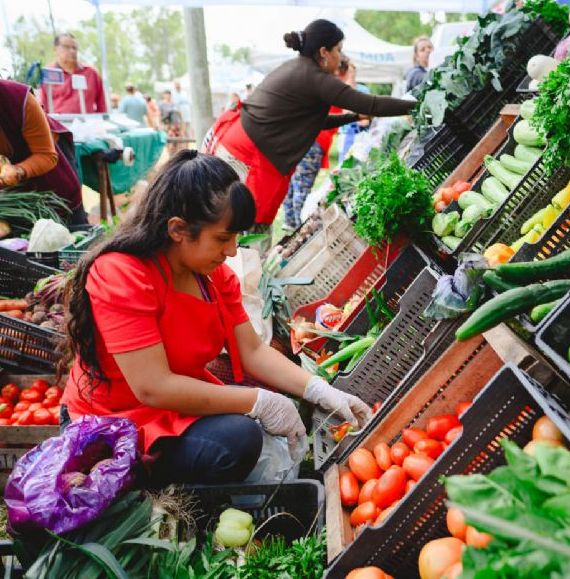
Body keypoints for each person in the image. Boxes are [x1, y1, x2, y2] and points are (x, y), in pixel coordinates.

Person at [61, 151, 371, 486]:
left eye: (236, 237)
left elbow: (252, 350)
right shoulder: (121, 274)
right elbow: (152, 387)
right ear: (178, 230)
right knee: (239, 440)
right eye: (222, 238)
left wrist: (318, 390)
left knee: (247, 429)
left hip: (175, 408)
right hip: (115, 421)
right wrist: (259, 402)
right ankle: (138, 485)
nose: (233, 251)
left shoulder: (213, 277)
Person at [202, 19, 414, 236]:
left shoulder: (298, 68)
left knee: (230, 224)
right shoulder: (315, 78)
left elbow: (313, 121)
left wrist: (352, 117)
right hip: (249, 155)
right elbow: (372, 104)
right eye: (338, 50)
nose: (340, 57)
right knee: (245, 231)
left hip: (239, 143)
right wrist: (416, 105)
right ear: (324, 52)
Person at [0, 79, 87, 224]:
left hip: (52, 177)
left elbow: (46, 155)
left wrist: (18, 171)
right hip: (18, 199)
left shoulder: (18, 99)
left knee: (71, 234)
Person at [281, 54, 351, 231]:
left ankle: (290, 220)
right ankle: (299, 225)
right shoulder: (332, 86)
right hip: (315, 141)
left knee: (295, 182)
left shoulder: (319, 83)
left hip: (304, 139)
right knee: (302, 185)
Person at [40, 33, 107, 114]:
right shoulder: (47, 74)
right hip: (58, 124)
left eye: (74, 48)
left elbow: (102, 104)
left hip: (87, 124)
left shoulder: (91, 73)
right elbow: (42, 106)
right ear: (55, 49)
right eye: (67, 47)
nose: (72, 51)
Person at [338, 60, 372, 164]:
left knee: (359, 163)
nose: (351, 74)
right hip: (346, 134)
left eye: (352, 71)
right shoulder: (340, 90)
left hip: (361, 135)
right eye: (348, 72)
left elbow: (366, 119)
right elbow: (344, 114)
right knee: (343, 164)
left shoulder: (364, 90)